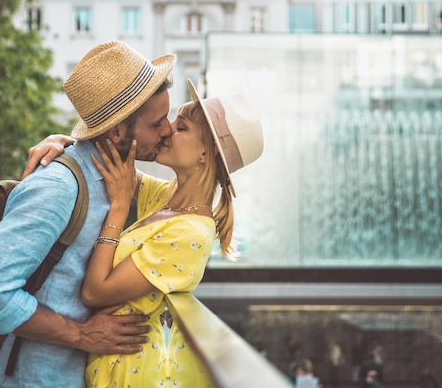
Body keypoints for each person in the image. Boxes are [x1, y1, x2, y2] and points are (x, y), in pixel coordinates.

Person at [0, 40, 177, 388]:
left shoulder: (113, 178)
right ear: (117, 131)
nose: (167, 129)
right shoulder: (58, 187)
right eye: (157, 123)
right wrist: (81, 335)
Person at [27, 79, 264, 387]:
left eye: (181, 128)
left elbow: (94, 292)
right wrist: (62, 140)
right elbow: (107, 156)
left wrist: (118, 209)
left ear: (205, 154)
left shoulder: (190, 233)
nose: (166, 130)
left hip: (128, 371)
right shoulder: (167, 198)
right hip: (109, 360)